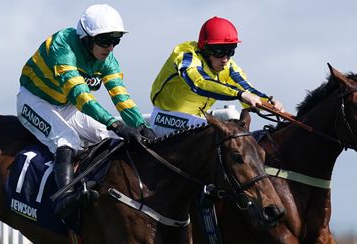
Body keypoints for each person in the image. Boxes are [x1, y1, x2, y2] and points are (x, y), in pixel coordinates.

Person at [16, 4, 156, 219]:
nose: (110, 47)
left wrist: (140, 125)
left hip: (66, 106)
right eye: (105, 40)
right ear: (87, 38)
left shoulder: (108, 60)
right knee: (67, 140)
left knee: (106, 137)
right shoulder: (62, 44)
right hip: (34, 101)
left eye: (115, 40)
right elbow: (80, 95)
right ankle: (64, 198)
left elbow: (121, 97)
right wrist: (117, 124)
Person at [148, 16, 285, 138]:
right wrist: (240, 94)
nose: (225, 59)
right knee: (217, 133)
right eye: (219, 52)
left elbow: (247, 90)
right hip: (164, 118)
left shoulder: (227, 66)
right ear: (205, 49)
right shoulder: (187, 55)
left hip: (198, 117)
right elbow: (199, 83)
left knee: (235, 128)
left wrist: (268, 103)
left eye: (230, 51)